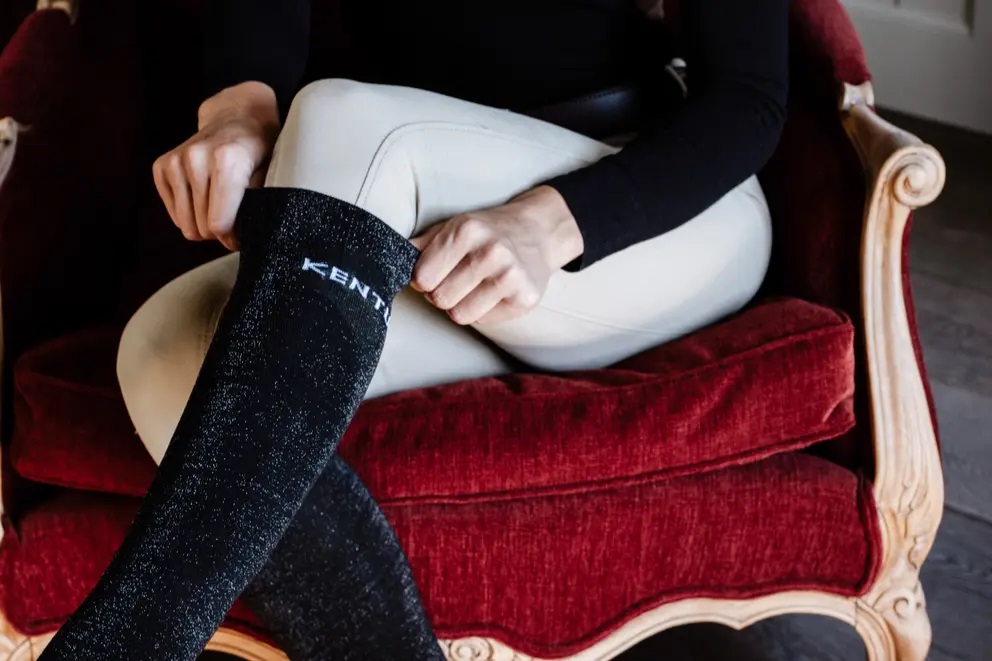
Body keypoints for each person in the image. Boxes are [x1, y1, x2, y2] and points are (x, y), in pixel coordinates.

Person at [41, 1, 788, 659]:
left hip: (650, 210)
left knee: (341, 116)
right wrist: (238, 116)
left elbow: (747, 99)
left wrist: (549, 224)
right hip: (416, 226)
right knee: (167, 349)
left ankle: (121, 642)